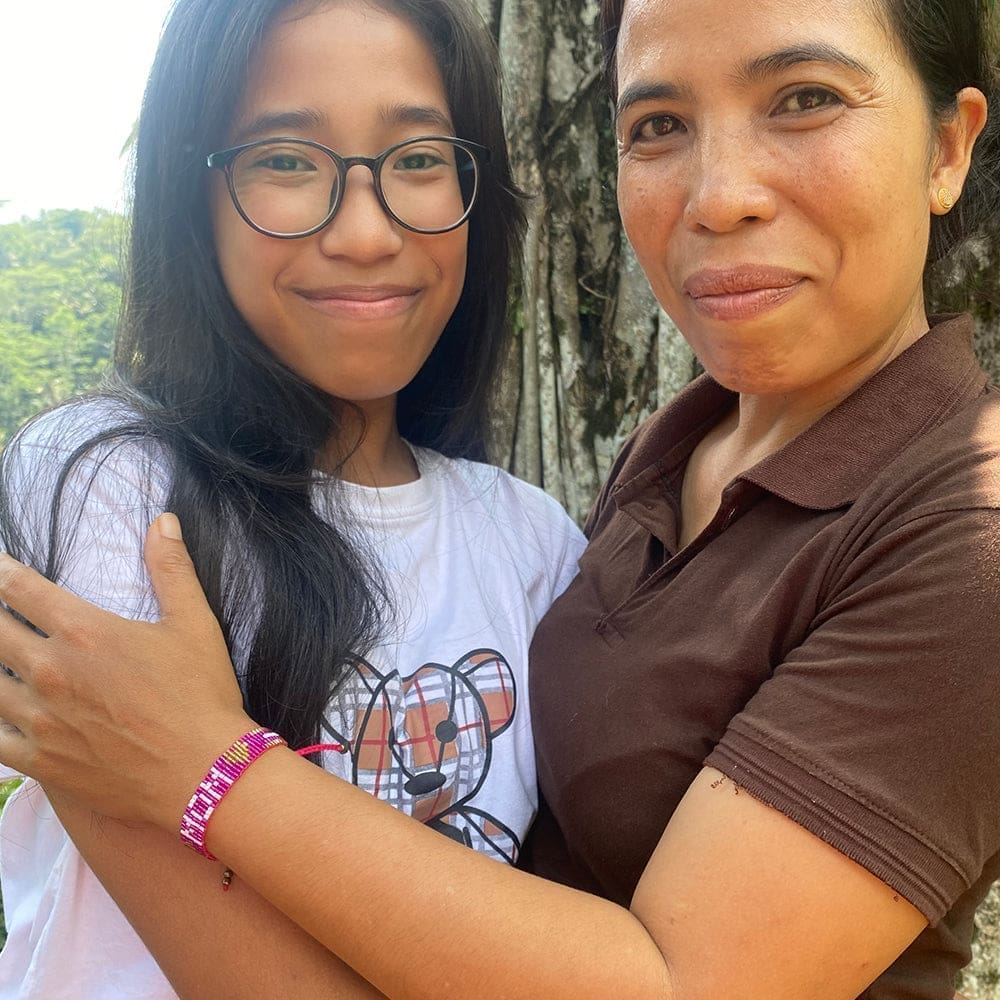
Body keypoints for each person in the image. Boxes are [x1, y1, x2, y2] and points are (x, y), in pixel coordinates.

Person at [0, 0, 998, 996]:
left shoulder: (963, 537)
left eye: (805, 100)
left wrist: (205, 765)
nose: (720, 193)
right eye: (657, 124)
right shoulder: (655, 469)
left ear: (947, 147)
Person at [0, 1, 586, 997]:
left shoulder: (531, 539)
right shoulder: (114, 485)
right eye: (285, 161)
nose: (365, 232)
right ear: (198, 198)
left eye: (416, 160)